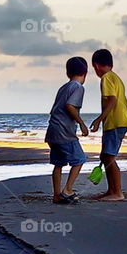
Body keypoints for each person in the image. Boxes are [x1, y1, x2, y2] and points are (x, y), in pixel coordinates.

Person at [44, 56, 89, 204]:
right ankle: (68, 189)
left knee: (59, 163)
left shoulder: (63, 87)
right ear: (85, 72)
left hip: (53, 131)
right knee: (79, 159)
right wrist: (81, 123)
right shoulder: (78, 88)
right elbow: (70, 106)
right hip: (64, 132)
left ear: (67, 73)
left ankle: (56, 195)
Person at [89, 48, 127, 201]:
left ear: (96, 66)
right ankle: (111, 190)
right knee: (106, 156)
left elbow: (112, 100)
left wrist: (99, 119)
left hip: (113, 124)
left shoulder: (106, 78)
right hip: (121, 122)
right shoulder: (117, 78)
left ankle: (117, 192)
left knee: (109, 157)